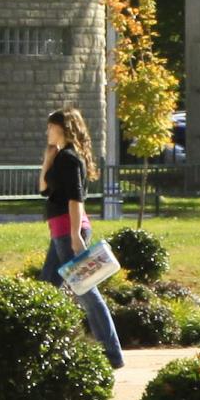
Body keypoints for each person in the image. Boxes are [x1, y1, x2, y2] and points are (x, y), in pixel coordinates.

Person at [42, 107, 125, 367]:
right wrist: (47, 157)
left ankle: (112, 354)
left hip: (69, 231)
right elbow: (44, 189)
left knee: (86, 291)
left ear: (62, 128)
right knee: (46, 287)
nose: (47, 131)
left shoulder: (70, 159)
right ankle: (38, 345)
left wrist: (77, 235)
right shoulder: (59, 156)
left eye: (50, 127)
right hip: (60, 231)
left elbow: (75, 198)